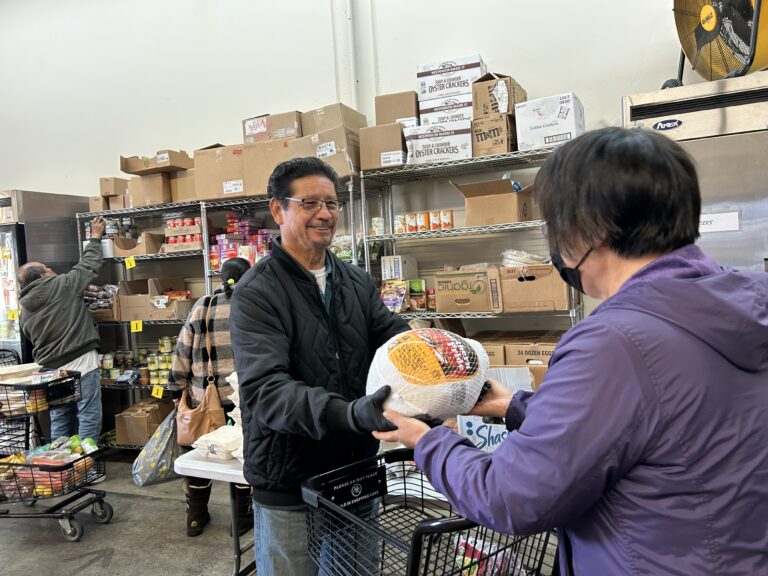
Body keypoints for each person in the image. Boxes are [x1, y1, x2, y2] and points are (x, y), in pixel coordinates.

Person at [374, 128, 768, 575]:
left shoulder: (615, 343)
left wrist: (427, 441)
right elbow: (659, 424)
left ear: (588, 230)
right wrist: (513, 406)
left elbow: (511, 497)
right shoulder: (747, 303)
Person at [230, 157, 409, 575]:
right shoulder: (258, 292)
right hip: (290, 479)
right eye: (310, 203)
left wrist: (440, 361)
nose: (325, 214)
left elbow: (393, 339)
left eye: (332, 203)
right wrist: (347, 413)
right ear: (278, 210)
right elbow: (266, 391)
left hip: (355, 471)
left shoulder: (355, 281)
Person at [171, 257, 252, 537]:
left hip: (204, 399)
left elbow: (182, 351)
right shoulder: (254, 306)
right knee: (241, 458)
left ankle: (196, 516)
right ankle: (241, 519)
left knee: (200, 457)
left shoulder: (201, 306)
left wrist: (176, 387)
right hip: (242, 401)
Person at [19, 216, 107, 442]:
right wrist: (95, 238)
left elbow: (29, 335)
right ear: (42, 275)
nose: (52, 271)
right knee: (88, 412)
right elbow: (88, 266)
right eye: (48, 269)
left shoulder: (25, 308)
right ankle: (87, 464)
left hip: (50, 368)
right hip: (80, 361)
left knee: (60, 415)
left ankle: (63, 467)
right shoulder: (62, 285)